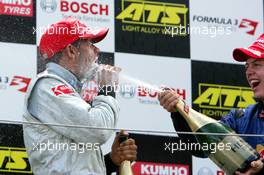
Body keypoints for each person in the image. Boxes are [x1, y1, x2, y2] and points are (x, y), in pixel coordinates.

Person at [22, 17, 137, 175]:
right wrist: (107, 88)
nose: (97, 51)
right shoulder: (47, 86)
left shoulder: (64, 90)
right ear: (71, 51)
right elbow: (99, 129)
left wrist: (111, 160)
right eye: (90, 44)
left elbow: (73, 166)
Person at [158, 34, 264, 175]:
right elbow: (200, 147)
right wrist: (179, 112)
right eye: (246, 67)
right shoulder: (241, 117)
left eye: (256, 65)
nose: (249, 72)